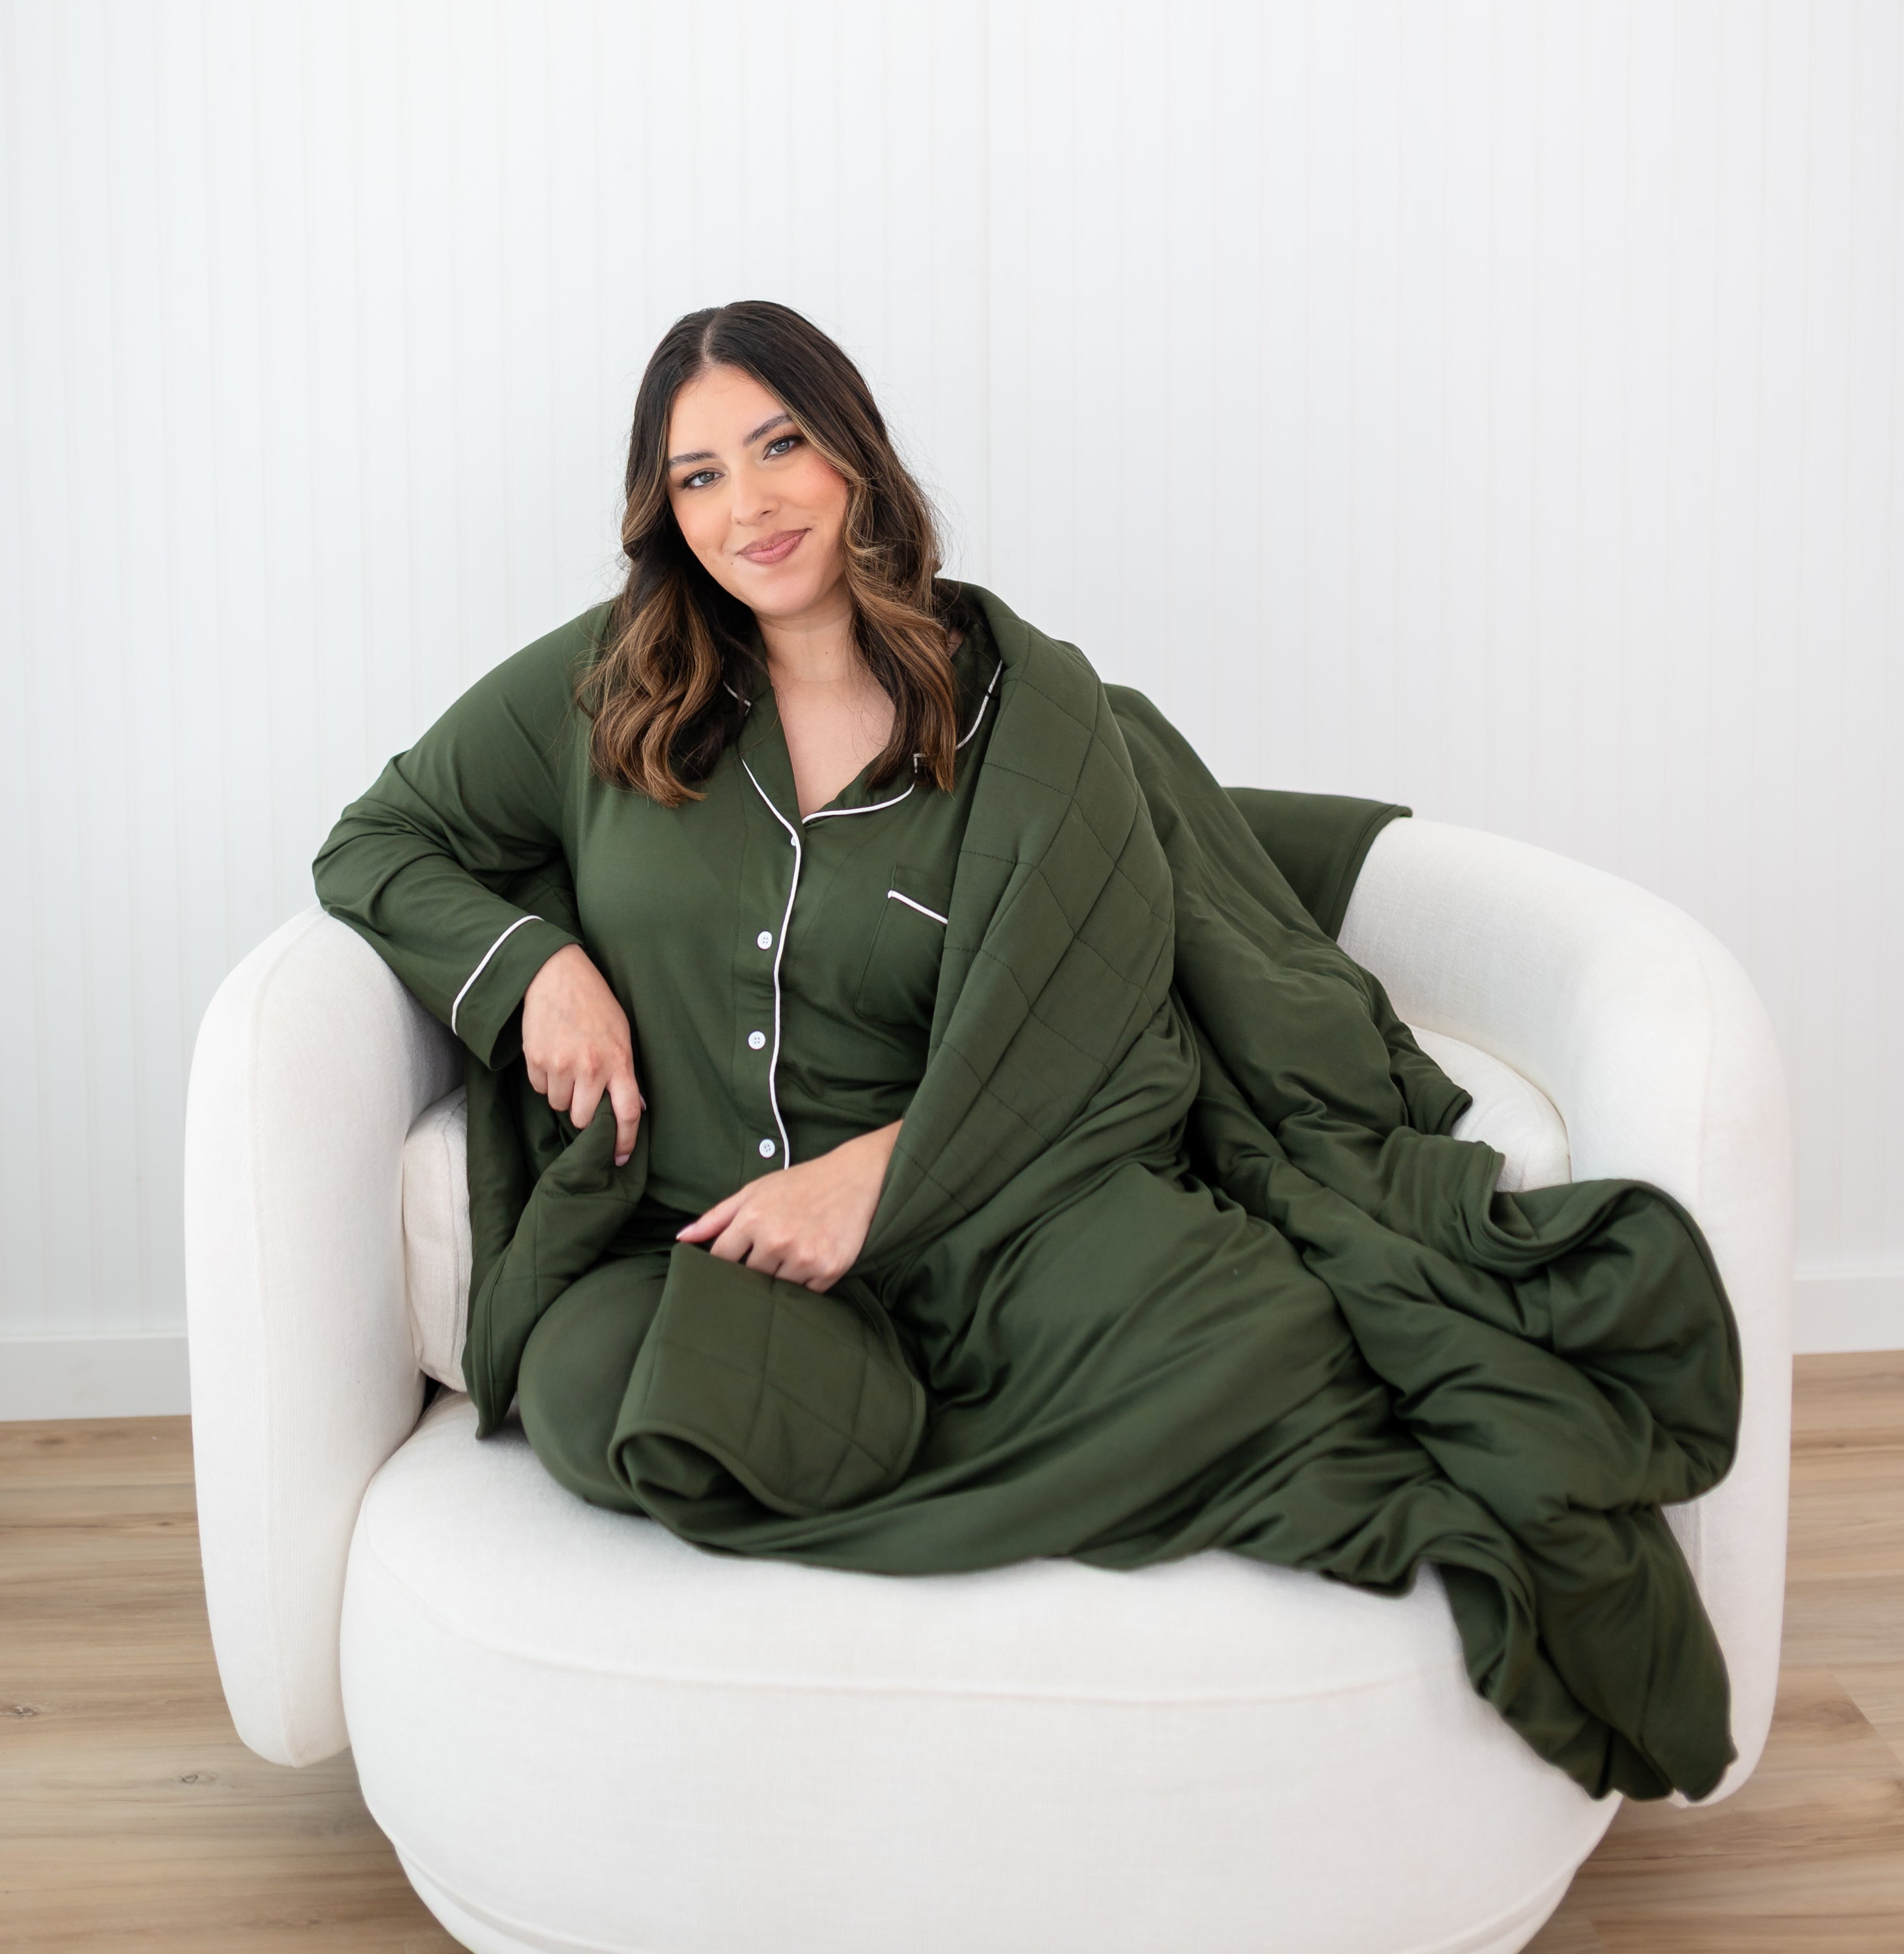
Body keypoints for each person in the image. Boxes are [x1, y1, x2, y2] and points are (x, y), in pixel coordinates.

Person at [313, 300, 1741, 1804]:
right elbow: (379, 841)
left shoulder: (1018, 707)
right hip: (694, 1243)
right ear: (663, 514)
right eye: (701, 476)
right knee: (624, 1404)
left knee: (1269, 1341)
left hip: (996, 1198)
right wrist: (534, 969)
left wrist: (888, 1172)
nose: (751, 505)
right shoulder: (605, 685)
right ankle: (910, 1421)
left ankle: (951, 1408)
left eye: (781, 446)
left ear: (852, 454)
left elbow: (1098, 1013)